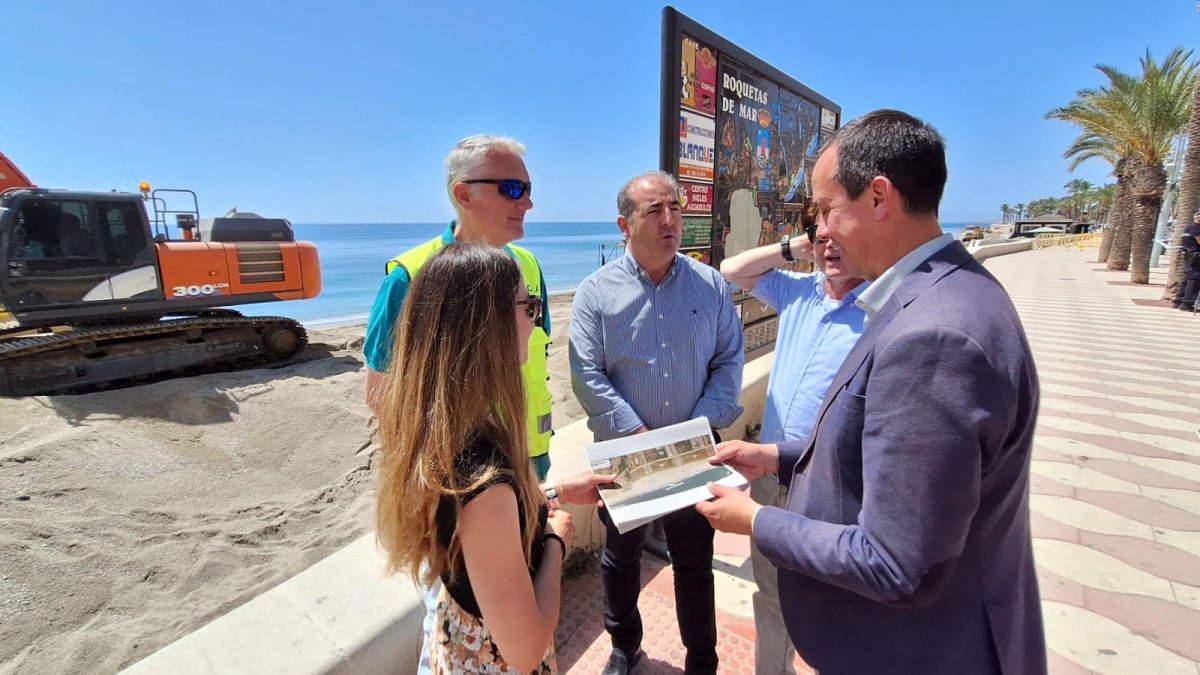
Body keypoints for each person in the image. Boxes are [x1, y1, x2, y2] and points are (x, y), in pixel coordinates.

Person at [697, 110, 1047, 674]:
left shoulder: (935, 336)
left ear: (879, 197)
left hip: (923, 652)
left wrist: (754, 520)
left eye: (827, 209)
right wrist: (777, 456)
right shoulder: (946, 291)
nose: (821, 231)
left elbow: (896, 561)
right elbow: (889, 458)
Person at [374, 243, 613, 674]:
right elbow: (524, 649)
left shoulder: (442, 433)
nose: (536, 323)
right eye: (530, 306)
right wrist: (557, 540)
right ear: (488, 326)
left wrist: (552, 493)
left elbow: (477, 528)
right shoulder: (483, 478)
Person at [569, 170, 744, 675]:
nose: (670, 220)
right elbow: (586, 373)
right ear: (624, 223)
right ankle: (625, 646)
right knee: (620, 558)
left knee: (693, 563)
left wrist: (697, 430)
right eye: (654, 211)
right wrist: (643, 439)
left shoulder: (709, 284)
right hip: (625, 456)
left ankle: (702, 660)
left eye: (675, 208)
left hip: (693, 455)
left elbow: (728, 361)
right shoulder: (595, 293)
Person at [717, 200, 867, 675]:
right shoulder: (799, 290)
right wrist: (799, 245)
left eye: (839, 236)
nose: (829, 247)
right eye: (820, 237)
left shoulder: (883, 309)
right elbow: (731, 270)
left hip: (834, 480)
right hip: (770, 473)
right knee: (771, 593)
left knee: (838, 599)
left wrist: (830, 239)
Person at [363, 134, 554, 481]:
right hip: (463, 479)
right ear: (463, 194)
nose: (528, 203)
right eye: (512, 189)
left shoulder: (528, 267)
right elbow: (381, 395)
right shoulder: (412, 277)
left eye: (528, 188)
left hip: (531, 461)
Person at [1171, 210, 1200, 311]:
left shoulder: (1190, 228)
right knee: (1193, 280)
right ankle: (1187, 302)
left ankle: (1178, 301)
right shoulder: (1195, 228)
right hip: (1194, 257)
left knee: (1187, 279)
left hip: (1191, 257)